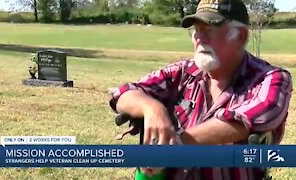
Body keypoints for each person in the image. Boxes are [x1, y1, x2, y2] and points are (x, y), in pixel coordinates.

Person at [109, 0, 293, 179]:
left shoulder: (271, 78)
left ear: (241, 36)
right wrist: (153, 109)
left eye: (210, 30)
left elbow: (251, 118)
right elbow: (124, 94)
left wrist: (173, 145)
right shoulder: (182, 72)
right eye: (196, 30)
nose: (199, 37)